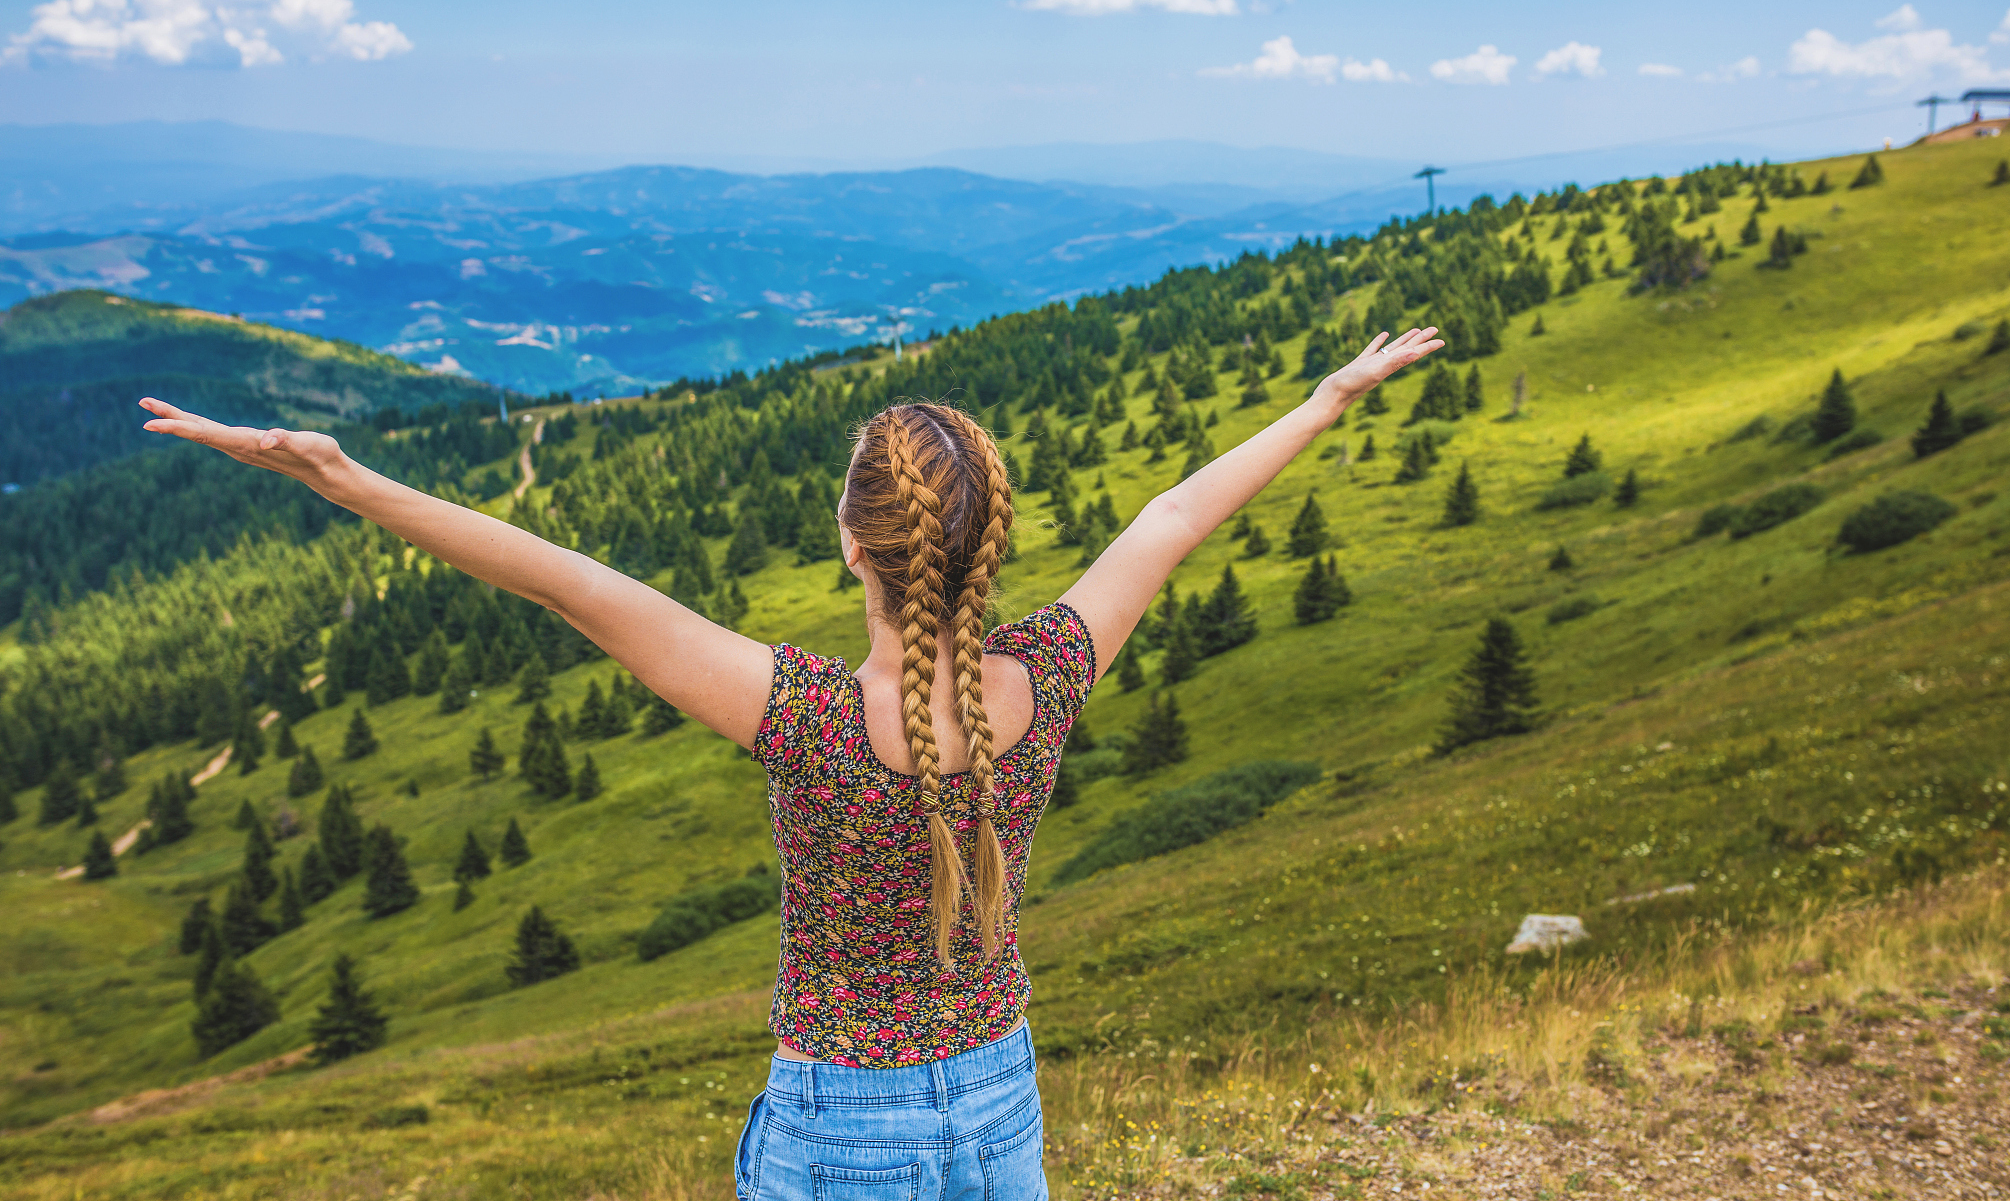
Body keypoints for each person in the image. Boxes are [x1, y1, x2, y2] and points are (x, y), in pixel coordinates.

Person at [137, 324, 1442, 1199]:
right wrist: (1327, 400)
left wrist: (348, 479)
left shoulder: (806, 714)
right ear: (989, 543)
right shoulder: (1040, 679)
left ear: (854, 545)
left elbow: (570, 583)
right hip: (1001, 1098)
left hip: (840, 1120)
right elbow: (1168, 518)